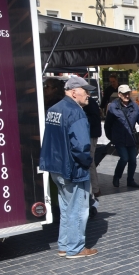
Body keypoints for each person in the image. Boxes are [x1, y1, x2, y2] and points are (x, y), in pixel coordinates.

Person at [39, 76, 97, 259]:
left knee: (66, 208)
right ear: (74, 92)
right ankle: (76, 247)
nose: (88, 95)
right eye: (85, 91)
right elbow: (81, 146)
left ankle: (64, 245)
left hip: (55, 167)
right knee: (79, 209)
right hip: (72, 168)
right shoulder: (76, 112)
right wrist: (87, 162)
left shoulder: (54, 109)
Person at [104, 84, 139, 188]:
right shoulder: (113, 107)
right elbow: (107, 125)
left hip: (131, 138)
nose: (127, 96)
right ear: (119, 94)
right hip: (119, 138)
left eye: (128, 93)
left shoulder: (135, 106)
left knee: (133, 160)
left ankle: (130, 180)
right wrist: (111, 138)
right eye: (124, 94)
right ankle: (117, 176)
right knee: (124, 158)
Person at [83, 96, 103, 197]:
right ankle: (95, 188)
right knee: (90, 161)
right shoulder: (89, 102)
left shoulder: (89, 102)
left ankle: (95, 189)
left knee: (90, 161)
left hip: (90, 134)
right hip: (90, 134)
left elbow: (94, 119)